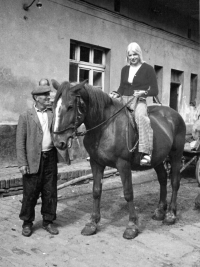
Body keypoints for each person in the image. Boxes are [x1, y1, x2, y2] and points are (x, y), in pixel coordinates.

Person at [16, 84, 59, 237]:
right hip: (33, 159)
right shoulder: (26, 115)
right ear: (36, 98)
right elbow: (20, 142)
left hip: (50, 157)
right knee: (30, 193)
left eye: (49, 94)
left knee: (50, 191)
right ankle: (27, 223)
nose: (48, 97)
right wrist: (22, 163)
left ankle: (48, 221)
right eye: (45, 95)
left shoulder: (52, 113)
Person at [111, 42, 158, 165]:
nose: (132, 58)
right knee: (109, 114)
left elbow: (155, 90)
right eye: (130, 55)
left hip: (139, 101)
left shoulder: (148, 69)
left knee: (141, 118)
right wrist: (117, 93)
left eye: (135, 55)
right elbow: (122, 87)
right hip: (124, 100)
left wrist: (143, 92)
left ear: (139, 54)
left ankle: (146, 152)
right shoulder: (125, 69)